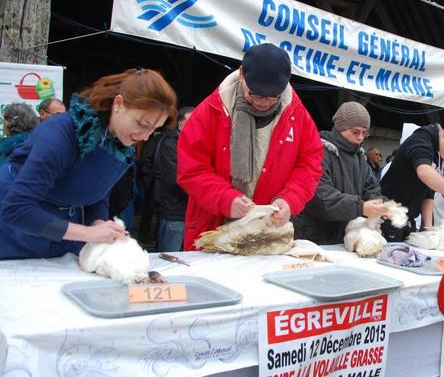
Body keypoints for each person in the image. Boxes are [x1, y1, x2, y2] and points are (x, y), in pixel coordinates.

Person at [0, 69, 176, 259]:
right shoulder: (59, 134)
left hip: (60, 243)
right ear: (118, 103)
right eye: (142, 123)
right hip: (12, 236)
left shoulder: (119, 144)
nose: (145, 136)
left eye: (154, 129)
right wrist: (86, 233)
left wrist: (98, 222)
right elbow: (16, 209)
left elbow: (98, 192)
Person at [178, 43, 323, 250]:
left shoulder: (298, 115)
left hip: (266, 233)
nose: (263, 102)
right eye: (255, 94)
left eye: (273, 97)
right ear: (241, 75)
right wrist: (225, 199)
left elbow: (310, 165)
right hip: (212, 229)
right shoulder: (209, 111)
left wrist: (290, 199)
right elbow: (192, 170)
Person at [293, 102, 386, 244]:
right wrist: (361, 207)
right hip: (311, 237)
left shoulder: (359, 158)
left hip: (341, 237)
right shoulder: (317, 151)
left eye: (364, 133)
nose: (360, 137)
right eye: (355, 132)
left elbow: (371, 188)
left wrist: (379, 204)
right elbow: (321, 198)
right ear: (340, 128)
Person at [380, 121, 444, 240]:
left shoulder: (441, 159)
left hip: (407, 219)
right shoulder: (421, 140)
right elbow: (424, 172)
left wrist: (428, 228)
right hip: (386, 214)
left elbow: (428, 192)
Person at [153, 106, 194, 252]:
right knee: (170, 257)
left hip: (192, 210)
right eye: (192, 122)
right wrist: (201, 194)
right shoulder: (169, 144)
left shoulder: (196, 143)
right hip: (175, 211)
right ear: (181, 124)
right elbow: (174, 179)